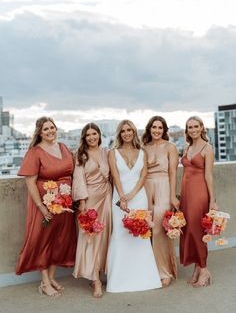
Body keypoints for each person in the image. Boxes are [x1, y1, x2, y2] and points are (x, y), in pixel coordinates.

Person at [16, 116, 77, 297]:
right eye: (46, 129)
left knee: (60, 240)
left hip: (65, 204)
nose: (50, 131)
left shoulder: (64, 147)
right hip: (45, 203)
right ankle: (44, 283)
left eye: (52, 127)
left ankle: (51, 277)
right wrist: (42, 207)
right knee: (43, 240)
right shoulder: (35, 152)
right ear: (39, 132)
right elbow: (30, 182)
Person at [106, 120, 162, 292]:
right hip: (119, 198)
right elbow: (115, 177)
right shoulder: (112, 152)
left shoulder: (142, 152)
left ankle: (145, 278)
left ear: (134, 132)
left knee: (141, 236)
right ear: (119, 134)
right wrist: (123, 197)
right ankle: (118, 280)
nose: (126, 133)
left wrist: (131, 195)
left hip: (139, 198)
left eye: (129, 130)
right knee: (120, 234)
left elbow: (143, 176)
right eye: (123, 131)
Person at [72, 123, 112, 298]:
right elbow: (78, 179)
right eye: (88, 135)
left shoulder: (107, 152)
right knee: (91, 238)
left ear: (99, 134)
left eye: (94, 133)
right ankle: (95, 279)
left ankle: (102, 271)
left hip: (107, 197)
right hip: (90, 200)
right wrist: (82, 203)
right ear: (84, 137)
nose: (91, 137)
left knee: (106, 237)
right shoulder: (81, 155)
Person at [180, 116, 217, 287]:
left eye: (196, 126)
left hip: (199, 194)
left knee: (197, 232)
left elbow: (209, 176)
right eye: (190, 127)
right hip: (186, 195)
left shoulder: (207, 148)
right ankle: (197, 267)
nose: (193, 129)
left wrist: (212, 200)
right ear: (186, 130)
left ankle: (205, 270)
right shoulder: (187, 147)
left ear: (202, 128)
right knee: (189, 230)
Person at [142, 116, 179, 287]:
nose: (157, 130)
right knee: (146, 229)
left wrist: (172, 197)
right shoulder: (143, 148)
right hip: (146, 188)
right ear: (149, 129)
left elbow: (173, 173)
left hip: (164, 186)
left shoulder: (171, 147)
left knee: (159, 230)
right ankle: (149, 269)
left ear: (164, 130)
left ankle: (164, 271)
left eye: (160, 128)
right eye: (154, 127)